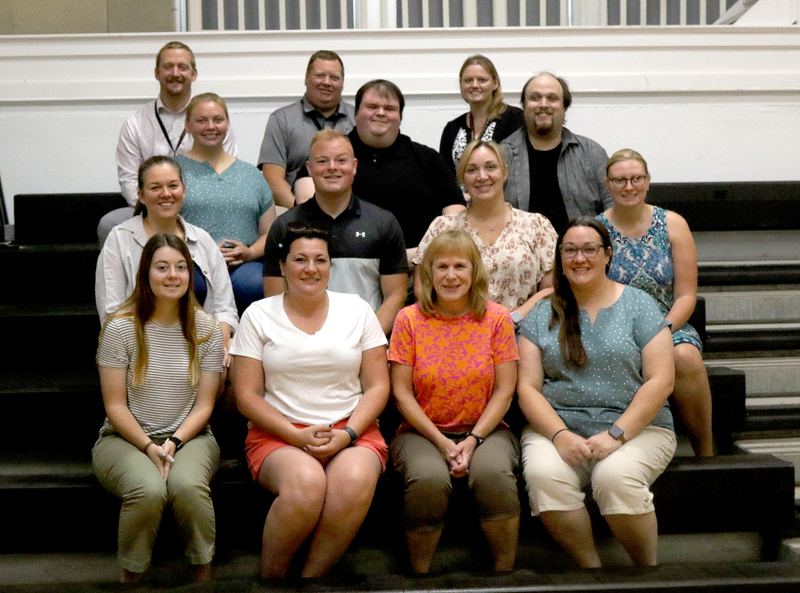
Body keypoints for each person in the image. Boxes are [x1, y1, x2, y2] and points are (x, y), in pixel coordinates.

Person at [517, 217, 676, 568]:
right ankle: (591, 571)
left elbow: (661, 380)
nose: (579, 258)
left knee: (614, 478)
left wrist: (617, 434)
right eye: (570, 250)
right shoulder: (542, 312)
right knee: (544, 477)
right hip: (558, 428)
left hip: (638, 428)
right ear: (560, 258)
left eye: (590, 249)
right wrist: (559, 435)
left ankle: (646, 573)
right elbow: (527, 388)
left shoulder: (640, 305)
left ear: (607, 254)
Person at [231, 226, 389, 579]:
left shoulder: (358, 310)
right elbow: (246, 396)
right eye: (300, 260)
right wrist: (295, 435)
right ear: (282, 266)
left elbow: (378, 386)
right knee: (306, 484)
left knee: (354, 480)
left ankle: (311, 581)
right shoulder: (258, 314)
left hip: (352, 430)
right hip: (279, 433)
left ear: (331, 266)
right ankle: (271, 581)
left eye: (320, 260)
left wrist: (348, 433)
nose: (311, 268)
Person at [92, 233, 223, 583]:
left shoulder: (207, 329)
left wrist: (174, 443)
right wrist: (149, 447)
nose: (172, 275)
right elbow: (115, 405)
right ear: (145, 273)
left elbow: (205, 405)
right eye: (162, 267)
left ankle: (203, 576)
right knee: (148, 490)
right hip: (124, 438)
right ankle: (131, 578)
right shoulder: (120, 327)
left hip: (191, 437)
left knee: (187, 486)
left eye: (181, 267)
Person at [389, 230, 520, 573]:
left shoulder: (497, 318)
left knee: (493, 475)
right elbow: (401, 393)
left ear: (474, 272)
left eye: (460, 266)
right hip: (421, 432)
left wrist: (473, 440)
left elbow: (505, 389)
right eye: (441, 266)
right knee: (428, 479)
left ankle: (506, 575)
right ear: (428, 273)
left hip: (487, 430)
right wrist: (442, 442)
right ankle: (421, 577)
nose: (450, 276)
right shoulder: (408, 319)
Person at [597, 149, 713, 456]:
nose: (629, 186)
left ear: (648, 181)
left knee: (685, 356)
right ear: (608, 184)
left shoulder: (673, 224)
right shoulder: (596, 230)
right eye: (619, 180)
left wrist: (660, 331)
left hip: (668, 324)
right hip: (612, 327)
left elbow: (686, 295)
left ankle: (706, 451)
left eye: (636, 178)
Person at [262, 129, 408, 335]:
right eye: (322, 161)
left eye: (341, 160)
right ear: (309, 168)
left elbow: (396, 295)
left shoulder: (383, 223)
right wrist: (300, 341)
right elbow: (274, 301)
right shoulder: (285, 226)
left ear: (354, 166)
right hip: (301, 342)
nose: (332, 167)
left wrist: (366, 340)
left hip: (364, 341)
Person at [96, 156, 237, 362]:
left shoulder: (202, 239)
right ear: (141, 195)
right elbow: (112, 312)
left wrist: (218, 344)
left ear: (184, 190)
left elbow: (225, 308)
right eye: (155, 187)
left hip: (200, 347)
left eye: (173, 186)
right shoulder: (119, 239)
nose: (166, 194)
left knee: (235, 356)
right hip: (143, 353)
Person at [99, 41, 237, 242]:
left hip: (203, 208)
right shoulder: (135, 124)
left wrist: (192, 207)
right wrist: (158, 210)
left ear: (194, 74)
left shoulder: (213, 123)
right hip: (151, 208)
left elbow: (227, 170)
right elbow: (129, 180)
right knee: (108, 224)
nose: (175, 73)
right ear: (157, 73)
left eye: (182, 67)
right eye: (168, 67)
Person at [415, 140, 556, 330]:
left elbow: (551, 290)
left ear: (504, 172)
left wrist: (513, 320)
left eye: (490, 167)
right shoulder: (443, 227)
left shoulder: (536, 226)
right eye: (472, 170)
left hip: (523, 333)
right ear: (462, 178)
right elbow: (422, 290)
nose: (482, 176)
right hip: (455, 333)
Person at [175, 92, 276, 314]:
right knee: (189, 285)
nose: (210, 126)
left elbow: (269, 232)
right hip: (190, 263)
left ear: (227, 124)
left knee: (255, 284)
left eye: (218, 120)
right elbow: (161, 225)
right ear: (187, 125)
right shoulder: (173, 172)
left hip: (244, 265)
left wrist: (250, 253)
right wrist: (200, 255)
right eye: (201, 120)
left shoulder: (251, 175)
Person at [348, 79, 466, 262]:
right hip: (350, 265)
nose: (381, 113)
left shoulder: (427, 158)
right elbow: (308, 200)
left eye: (389, 108)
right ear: (356, 113)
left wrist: (424, 254)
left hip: (421, 265)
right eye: (372, 107)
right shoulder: (332, 155)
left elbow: (455, 211)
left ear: (400, 117)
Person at [501, 72, 612, 233]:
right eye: (535, 98)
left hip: (582, 248)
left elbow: (613, 209)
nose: (543, 104)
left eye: (552, 98)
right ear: (524, 106)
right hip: (520, 248)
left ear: (565, 107)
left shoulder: (592, 154)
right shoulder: (502, 156)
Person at [258, 50, 355, 208]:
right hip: (295, 212)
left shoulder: (358, 120)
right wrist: (303, 212)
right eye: (320, 75)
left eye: (334, 77)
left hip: (351, 214)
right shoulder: (282, 120)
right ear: (306, 78)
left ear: (342, 82)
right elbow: (272, 179)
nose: (327, 82)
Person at [439, 55, 524, 175]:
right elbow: (444, 176)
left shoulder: (514, 118)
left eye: (482, 80)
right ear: (461, 85)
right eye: (468, 80)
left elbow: (520, 167)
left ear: (495, 83)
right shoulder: (452, 128)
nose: (475, 85)